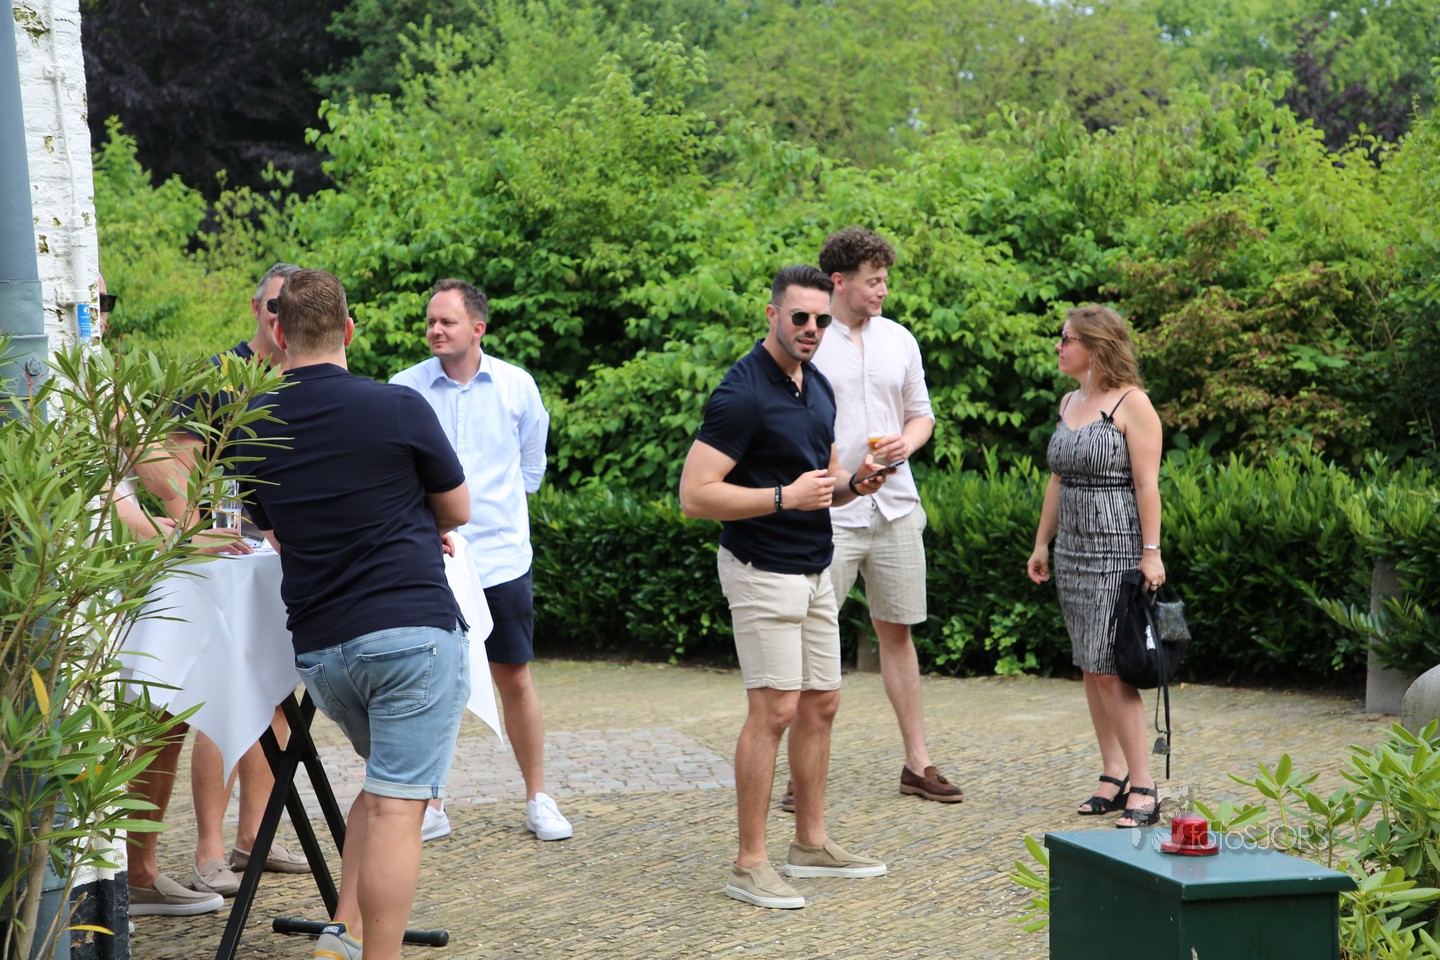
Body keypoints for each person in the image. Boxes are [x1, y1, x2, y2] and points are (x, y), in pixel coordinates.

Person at [234, 268, 471, 960]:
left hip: (324, 653)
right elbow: (457, 509)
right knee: (400, 805)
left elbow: (278, 532)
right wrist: (418, 519)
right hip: (410, 636)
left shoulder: (252, 425)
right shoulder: (397, 405)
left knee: (384, 783)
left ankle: (341, 936)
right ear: (349, 330)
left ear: (279, 335)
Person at [679, 264, 890, 910]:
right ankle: (749, 863)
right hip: (760, 567)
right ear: (772, 315)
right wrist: (782, 497)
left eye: (821, 319)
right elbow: (695, 495)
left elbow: (823, 480)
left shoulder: (816, 384)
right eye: (800, 317)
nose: (811, 328)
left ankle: (811, 844)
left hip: (816, 565)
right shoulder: (741, 394)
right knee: (773, 711)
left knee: (821, 703)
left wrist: (857, 482)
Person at [123, 264, 311, 917]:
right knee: (208, 694)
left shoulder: (307, 379)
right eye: (274, 306)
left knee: (275, 692)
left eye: (293, 308)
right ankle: (207, 852)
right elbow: (170, 465)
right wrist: (196, 527)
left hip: (270, 560)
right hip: (213, 562)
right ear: (257, 308)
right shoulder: (218, 376)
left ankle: (253, 838)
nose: (281, 319)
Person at [390, 279, 573, 843]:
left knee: (513, 676)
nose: (435, 330)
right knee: (430, 681)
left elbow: (531, 470)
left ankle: (538, 796)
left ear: (478, 328)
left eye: (446, 321)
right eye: (430, 321)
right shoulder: (403, 389)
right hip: (428, 558)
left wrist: (490, 519)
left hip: (501, 559)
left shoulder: (518, 386)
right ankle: (431, 803)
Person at [807, 227, 962, 809]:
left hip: (896, 507)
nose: (883, 291)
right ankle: (802, 771)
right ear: (839, 282)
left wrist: (907, 443)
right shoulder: (809, 339)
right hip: (832, 511)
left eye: (885, 280)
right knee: (813, 635)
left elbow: (923, 415)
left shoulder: (900, 339)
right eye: (873, 281)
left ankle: (918, 763)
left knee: (898, 633)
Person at [1026, 304, 1166, 829]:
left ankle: (1145, 785)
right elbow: (1057, 479)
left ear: (1096, 346)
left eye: (1066, 339)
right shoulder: (1069, 402)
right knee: (1089, 664)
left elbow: (1147, 485)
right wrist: (1042, 544)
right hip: (1073, 553)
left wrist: (1151, 552)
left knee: (1111, 668)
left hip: (1116, 550)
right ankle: (1113, 773)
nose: (1058, 347)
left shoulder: (1133, 403)